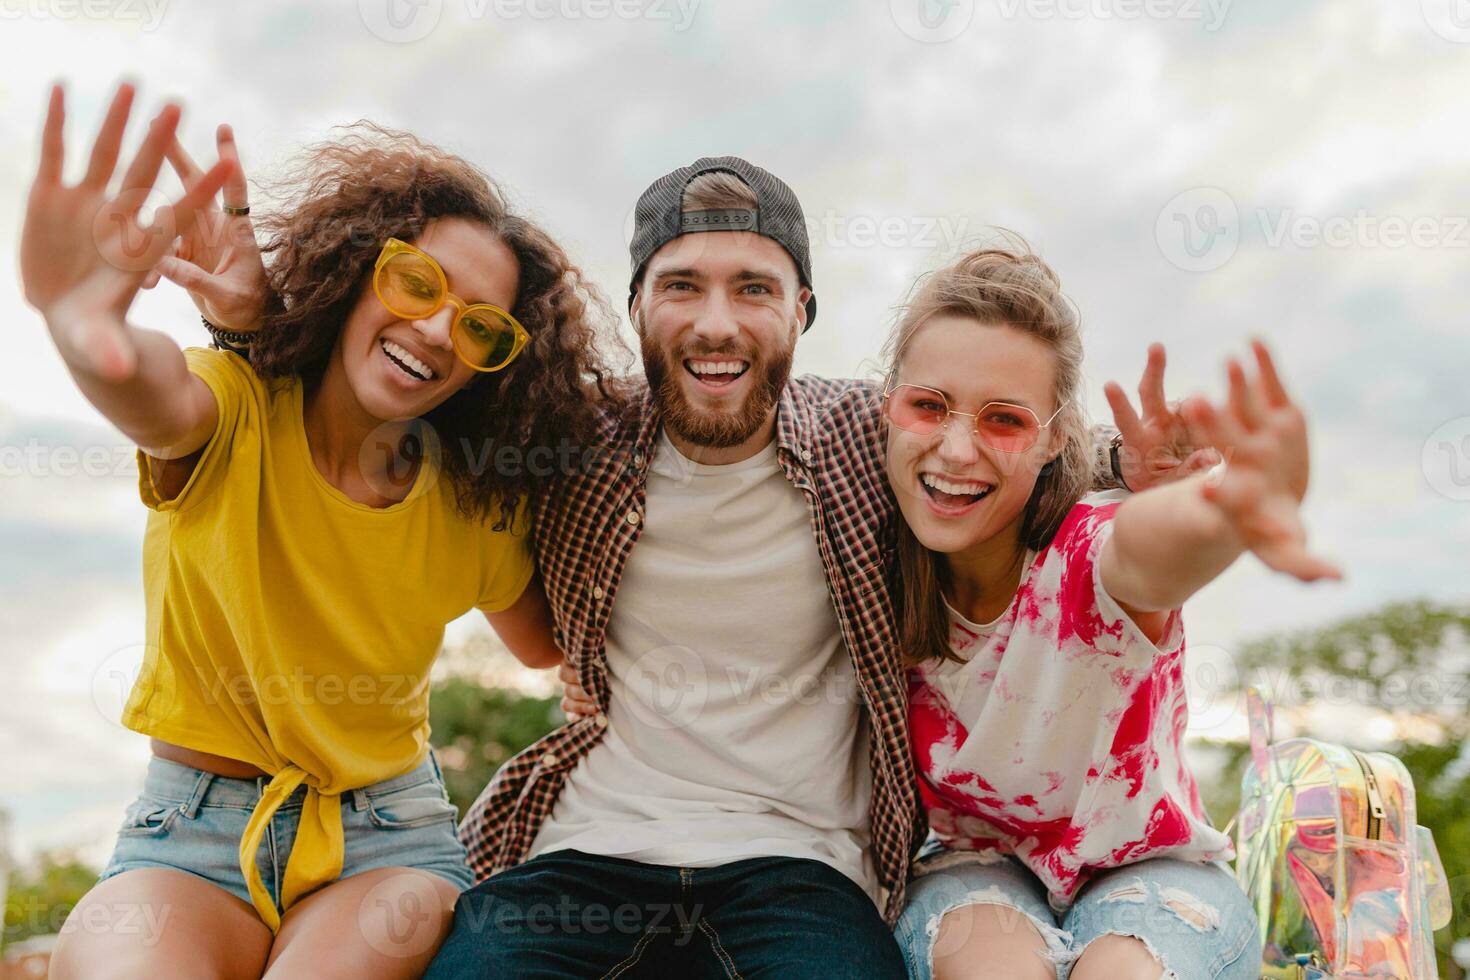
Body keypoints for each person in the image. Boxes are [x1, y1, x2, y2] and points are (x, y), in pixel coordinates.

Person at [430, 159, 1203, 977]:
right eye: (682, 285)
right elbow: (434, 411)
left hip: (798, 870)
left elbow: (999, 448)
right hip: (588, 850)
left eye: (755, 289)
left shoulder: (861, 435)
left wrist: (1139, 464)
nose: (717, 323)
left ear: (801, 311)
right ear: (638, 308)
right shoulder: (574, 445)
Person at [22, 83, 625, 978]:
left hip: (390, 843)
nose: (434, 329)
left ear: (493, 371)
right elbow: (153, 395)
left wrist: (598, 664)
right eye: (415, 282)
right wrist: (85, 330)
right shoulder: (232, 407)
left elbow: (553, 644)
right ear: (353, 275)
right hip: (188, 836)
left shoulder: (471, 510)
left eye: (481, 328)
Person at [880, 242, 1337, 979]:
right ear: (888, 405)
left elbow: (1146, 550)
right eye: (928, 406)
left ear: (1058, 438)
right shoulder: (865, 555)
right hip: (974, 865)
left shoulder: (1086, 549)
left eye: (1004, 420)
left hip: (1154, 863)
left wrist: (1221, 514)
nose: (957, 449)